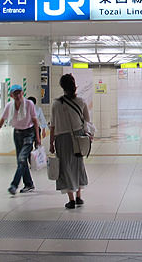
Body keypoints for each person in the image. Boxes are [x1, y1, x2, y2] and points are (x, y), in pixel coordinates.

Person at [50, 73, 91, 209]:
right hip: (78, 136)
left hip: (62, 138)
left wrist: (51, 143)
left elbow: (53, 126)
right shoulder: (81, 101)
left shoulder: (56, 104)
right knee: (78, 165)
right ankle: (79, 197)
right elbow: (87, 121)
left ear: (62, 87)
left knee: (66, 167)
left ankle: (71, 199)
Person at [0, 84, 40, 195]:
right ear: (11, 95)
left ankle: (14, 185)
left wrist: (37, 137)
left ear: (22, 93)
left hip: (28, 133)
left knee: (22, 159)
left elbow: (35, 121)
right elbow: (2, 120)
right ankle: (29, 184)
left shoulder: (29, 104)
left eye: (19, 92)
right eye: (15, 93)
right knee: (21, 161)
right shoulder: (9, 106)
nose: (18, 95)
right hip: (17, 133)